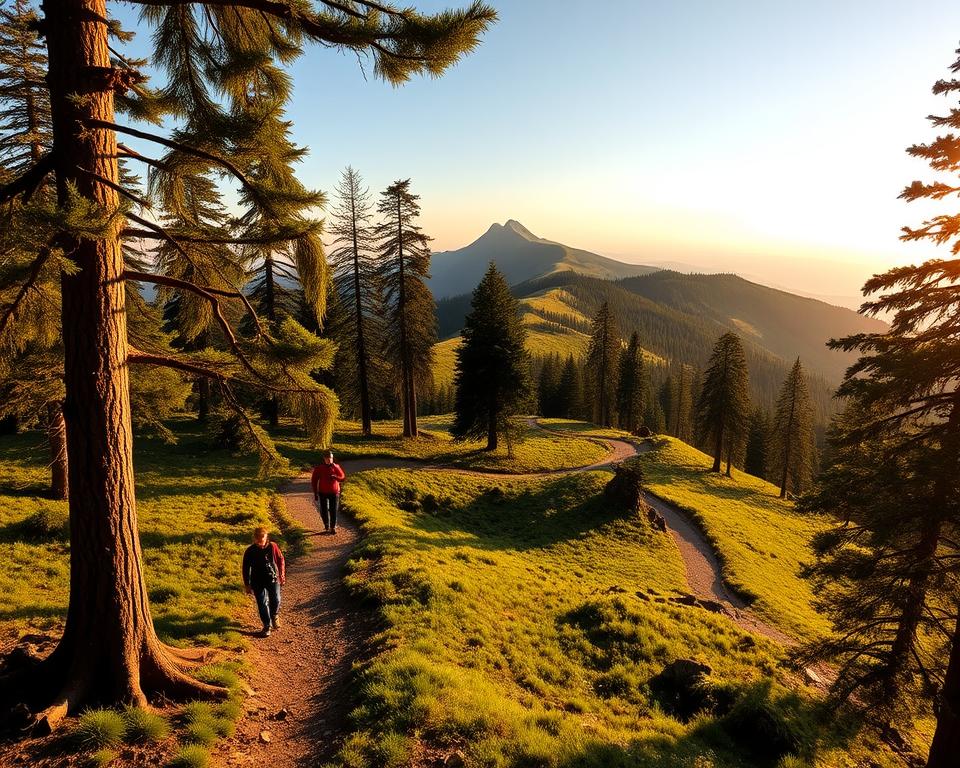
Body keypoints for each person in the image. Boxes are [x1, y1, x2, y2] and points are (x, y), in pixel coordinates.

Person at [242, 526, 285, 637]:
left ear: (266, 537)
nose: (260, 543)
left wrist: (282, 575)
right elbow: (245, 568)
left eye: (262, 540)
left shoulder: (273, 546)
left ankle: (274, 615)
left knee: (276, 599)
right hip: (257, 580)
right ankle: (267, 625)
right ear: (254, 538)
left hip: (273, 578)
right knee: (262, 603)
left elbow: (280, 559)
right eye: (258, 541)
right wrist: (247, 584)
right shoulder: (250, 551)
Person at [311, 449, 345, 535]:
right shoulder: (319, 468)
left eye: (331, 458)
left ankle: (333, 527)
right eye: (327, 458)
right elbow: (314, 481)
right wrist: (315, 493)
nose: (329, 460)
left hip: (334, 492)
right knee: (324, 510)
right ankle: (327, 526)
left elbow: (342, 477)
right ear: (324, 459)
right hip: (323, 492)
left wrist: (336, 477)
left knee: (333, 510)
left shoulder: (336, 467)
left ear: (332, 458)